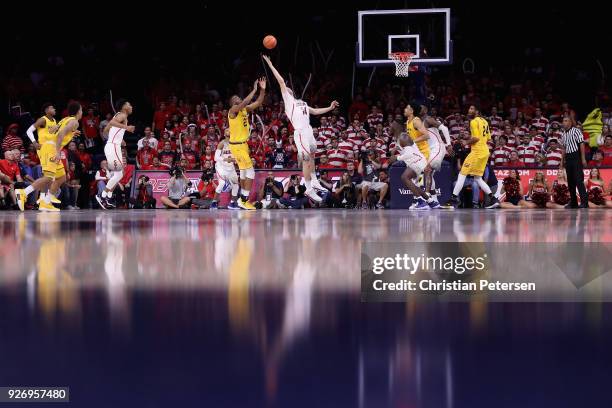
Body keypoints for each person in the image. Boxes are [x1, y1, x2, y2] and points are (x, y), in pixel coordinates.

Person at [263, 55, 339, 203]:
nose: (287, 89)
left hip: (309, 130)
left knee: (312, 156)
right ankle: (309, 188)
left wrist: (330, 107)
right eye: (286, 89)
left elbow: (315, 112)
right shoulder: (288, 102)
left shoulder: (302, 102)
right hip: (300, 132)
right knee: (305, 160)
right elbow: (280, 81)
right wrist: (271, 65)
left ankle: (314, 180)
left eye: (289, 89)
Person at [444, 105, 500, 209]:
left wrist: (466, 142)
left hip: (477, 152)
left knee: (462, 174)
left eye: (472, 109)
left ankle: (453, 199)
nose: (469, 110)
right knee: (478, 178)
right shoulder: (485, 122)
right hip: (485, 151)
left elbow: (476, 138)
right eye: (469, 109)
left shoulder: (474, 121)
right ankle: (493, 199)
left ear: (477, 111)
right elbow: (488, 138)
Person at [227, 77, 266, 210]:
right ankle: (244, 200)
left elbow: (259, 102)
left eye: (238, 96)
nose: (238, 97)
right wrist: (254, 89)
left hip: (243, 145)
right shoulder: (232, 111)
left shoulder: (244, 109)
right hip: (237, 146)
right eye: (235, 97)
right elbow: (244, 102)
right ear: (232, 103)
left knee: (243, 172)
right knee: (251, 172)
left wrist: (262, 89)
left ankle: (240, 200)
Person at [16, 103, 60, 211]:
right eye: (52, 107)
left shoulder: (54, 121)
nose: (54, 108)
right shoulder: (43, 119)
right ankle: (23, 193)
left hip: (52, 149)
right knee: (49, 177)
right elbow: (29, 131)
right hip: (45, 149)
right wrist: (34, 142)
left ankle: (43, 201)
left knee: (49, 178)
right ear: (46, 110)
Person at [96, 100, 135, 209]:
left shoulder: (121, 116)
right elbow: (112, 123)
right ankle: (102, 195)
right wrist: (127, 128)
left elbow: (106, 130)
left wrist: (118, 139)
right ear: (123, 107)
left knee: (118, 174)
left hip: (113, 145)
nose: (131, 106)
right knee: (119, 174)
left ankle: (107, 196)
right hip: (113, 147)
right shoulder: (122, 115)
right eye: (129, 104)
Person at [560, 116, 588, 208]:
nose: (564, 122)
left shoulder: (576, 131)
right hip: (568, 158)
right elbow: (563, 148)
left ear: (570, 123)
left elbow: (581, 144)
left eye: (566, 120)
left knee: (579, 180)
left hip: (576, 157)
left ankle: (584, 202)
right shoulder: (563, 134)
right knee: (570, 181)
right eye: (563, 121)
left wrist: (583, 159)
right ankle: (573, 203)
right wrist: (561, 162)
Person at [211, 129, 240, 210]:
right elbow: (215, 158)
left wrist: (236, 160)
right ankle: (214, 202)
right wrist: (226, 159)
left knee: (236, 185)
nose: (229, 131)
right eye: (227, 130)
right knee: (222, 183)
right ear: (224, 134)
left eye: (231, 130)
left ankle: (232, 204)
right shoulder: (222, 143)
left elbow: (237, 156)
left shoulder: (235, 144)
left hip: (230, 167)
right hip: (221, 167)